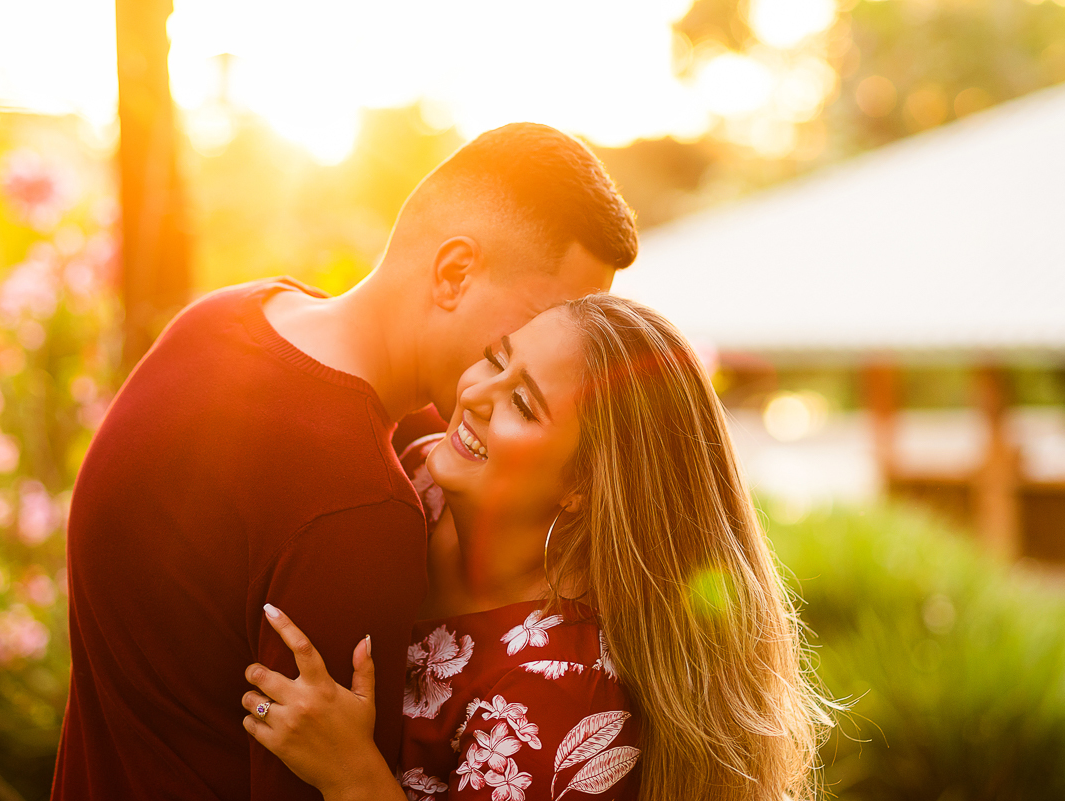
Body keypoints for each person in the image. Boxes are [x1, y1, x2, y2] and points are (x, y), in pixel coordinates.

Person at [52, 124, 638, 800]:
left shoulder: (221, 320)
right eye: (540, 320)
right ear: (454, 272)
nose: (553, 350)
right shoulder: (360, 509)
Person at [239, 295, 831, 801]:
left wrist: (354, 779)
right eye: (496, 358)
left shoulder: (560, 695)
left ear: (582, 487)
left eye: (522, 403)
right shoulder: (424, 477)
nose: (475, 393)